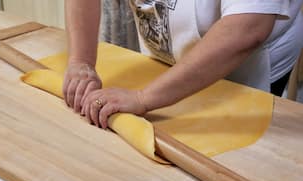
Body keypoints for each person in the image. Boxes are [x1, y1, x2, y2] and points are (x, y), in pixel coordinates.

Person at [63, 0, 303, 129]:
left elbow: (247, 28)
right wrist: (80, 61)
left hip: (247, 63)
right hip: (168, 47)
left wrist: (142, 99)